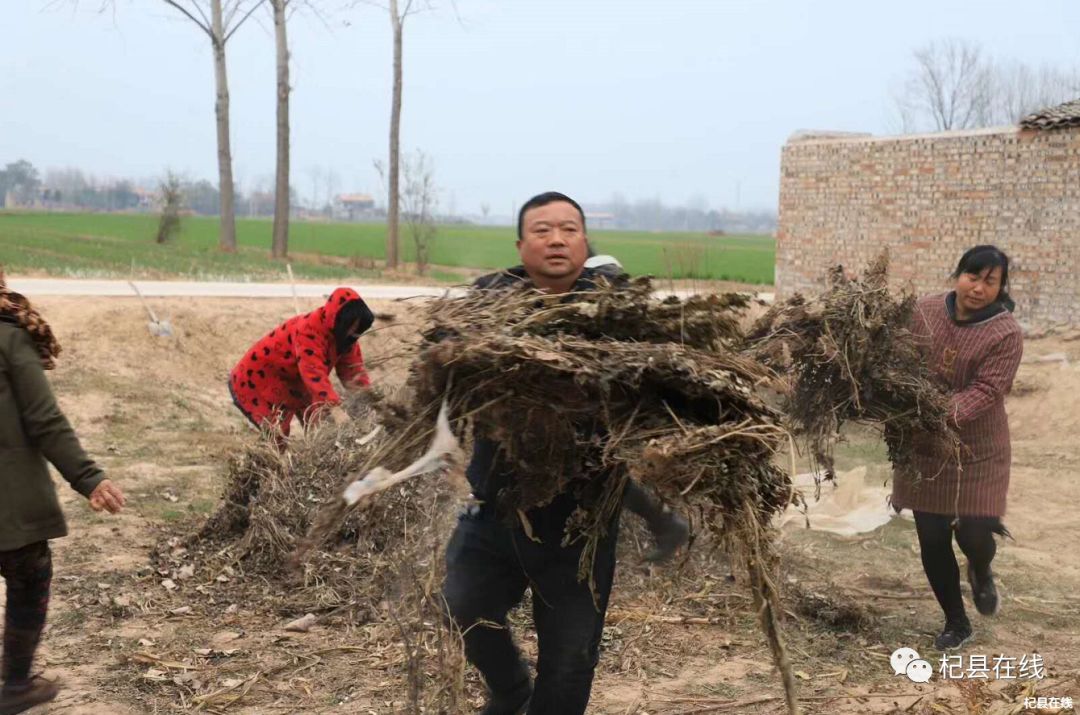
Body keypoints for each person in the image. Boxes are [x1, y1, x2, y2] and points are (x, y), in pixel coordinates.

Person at [442, 192, 688, 715]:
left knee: (571, 660)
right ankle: (510, 689)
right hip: (497, 505)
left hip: (582, 521)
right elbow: (443, 367)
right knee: (463, 604)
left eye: (570, 229)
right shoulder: (487, 304)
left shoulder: (617, 311)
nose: (557, 239)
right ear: (520, 243)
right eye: (543, 230)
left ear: (584, 240)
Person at [0, 274, 126, 714]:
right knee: (29, 579)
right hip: (9, 507)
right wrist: (89, 478)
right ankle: (14, 684)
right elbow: (44, 418)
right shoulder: (8, 336)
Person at [891, 245, 1023, 651]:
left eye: (990, 281)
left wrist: (935, 411)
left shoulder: (1006, 334)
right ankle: (956, 621)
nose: (978, 287)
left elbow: (986, 391)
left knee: (975, 531)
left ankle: (981, 570)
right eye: (972, 276)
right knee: (931, 536)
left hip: (977, 450)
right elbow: (898, 360)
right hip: (923, 446)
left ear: (1000, 289)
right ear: (957, 274)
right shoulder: (924, 312)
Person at [229, 288, 374, 444]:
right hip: (256, 380)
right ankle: (259, 465)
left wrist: (369, 400)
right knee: (277, 436)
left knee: (322, 427)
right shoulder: (309, 330)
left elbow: (353, 372)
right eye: (351, 326)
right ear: (339, 319)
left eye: (357, 328)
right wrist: (335, 408)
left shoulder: (347, 338)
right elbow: (313, 373)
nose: (353, 331)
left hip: (293, 386)